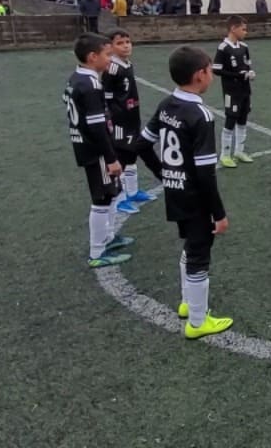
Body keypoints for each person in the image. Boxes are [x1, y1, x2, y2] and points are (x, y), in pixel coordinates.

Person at [134, 46, 234, 339]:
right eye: (209, 70)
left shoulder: (167, 104)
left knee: (190, 246)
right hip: (195, 197)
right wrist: (219, 213)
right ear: (200, 75)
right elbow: (205, 172)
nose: (212, 75)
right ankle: (198, 322)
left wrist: (164, 174)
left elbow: (142, 145)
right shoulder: (200, 115)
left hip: (175, 191)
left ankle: (188, 303)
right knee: (199, 254)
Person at [62, 33, 131, 268]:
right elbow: (96, 126)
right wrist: (111, 158)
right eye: (107, 54)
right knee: (102, 198)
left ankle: (108, 237)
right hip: (96, 150)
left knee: (112, 192)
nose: (110, 59)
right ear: (93, 57)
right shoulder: (90, 84)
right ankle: (97, 252)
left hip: (88, 146)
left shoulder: (76, 78)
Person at [104, 29, 156, 214]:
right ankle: (119, 198)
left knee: (132, 154)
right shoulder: (112, 68)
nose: (126, 46)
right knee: (122, 158)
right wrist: (111, 119)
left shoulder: (127, 64)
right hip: (120, 121)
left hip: (132, 117)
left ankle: (132, 192)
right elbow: (106, 97)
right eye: (120, 43)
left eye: (128, 42)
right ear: (110, 47)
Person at [212, 16, 256, 166]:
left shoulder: (244, 47)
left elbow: (247, 66)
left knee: (243, 120)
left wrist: (250, 73)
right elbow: (216, 70)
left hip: (245, 90)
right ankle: (225, 155)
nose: (245, 32)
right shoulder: (223, 48)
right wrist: (238, 75)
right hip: (231, 91)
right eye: (243, 29)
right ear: (233, 28)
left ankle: (239, 151)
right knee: (230, 120)